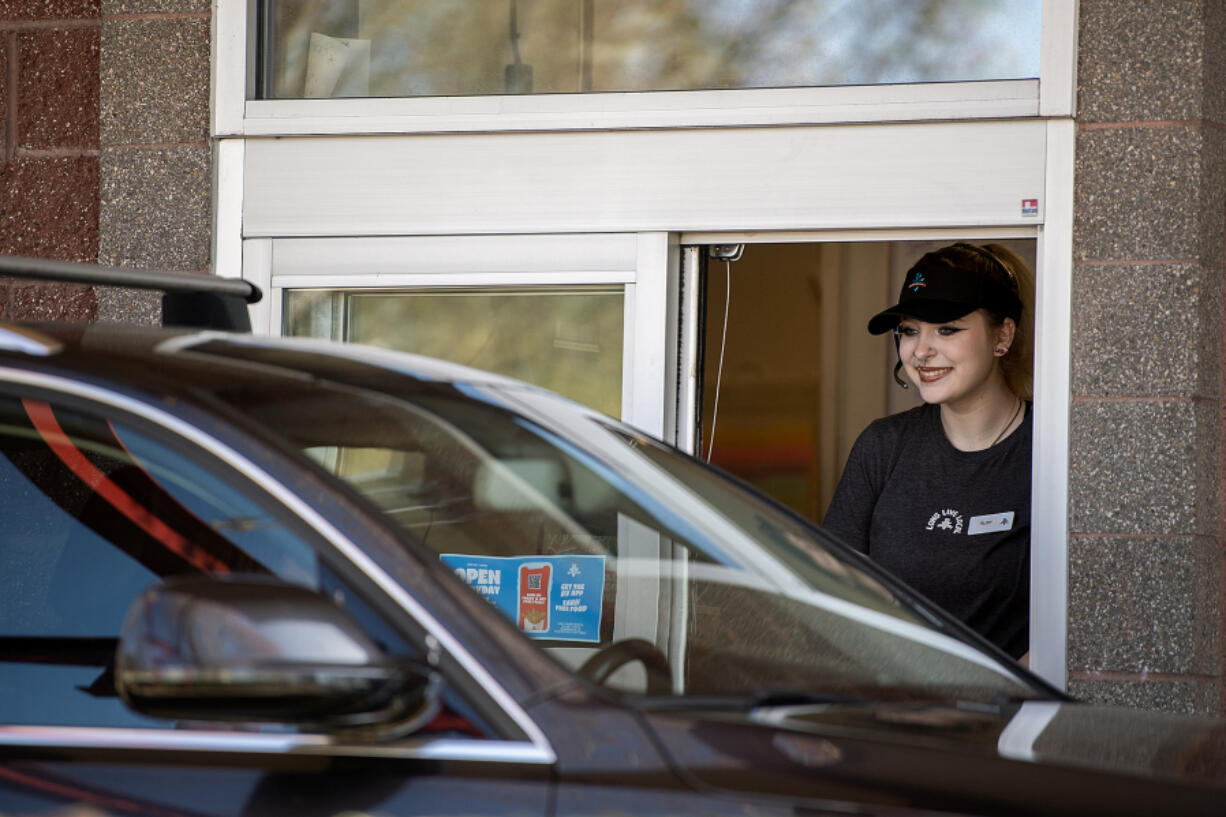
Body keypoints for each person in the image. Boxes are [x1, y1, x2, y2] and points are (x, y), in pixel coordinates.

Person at [822, 242, 1034, 661]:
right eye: (910, 329)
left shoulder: (1051, 451)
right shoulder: (882, 447)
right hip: (893, 710)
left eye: (947, 329)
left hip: (1007, 716)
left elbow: (1075, 627)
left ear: (1003, 335)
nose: (921, 350)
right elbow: (834, 601)